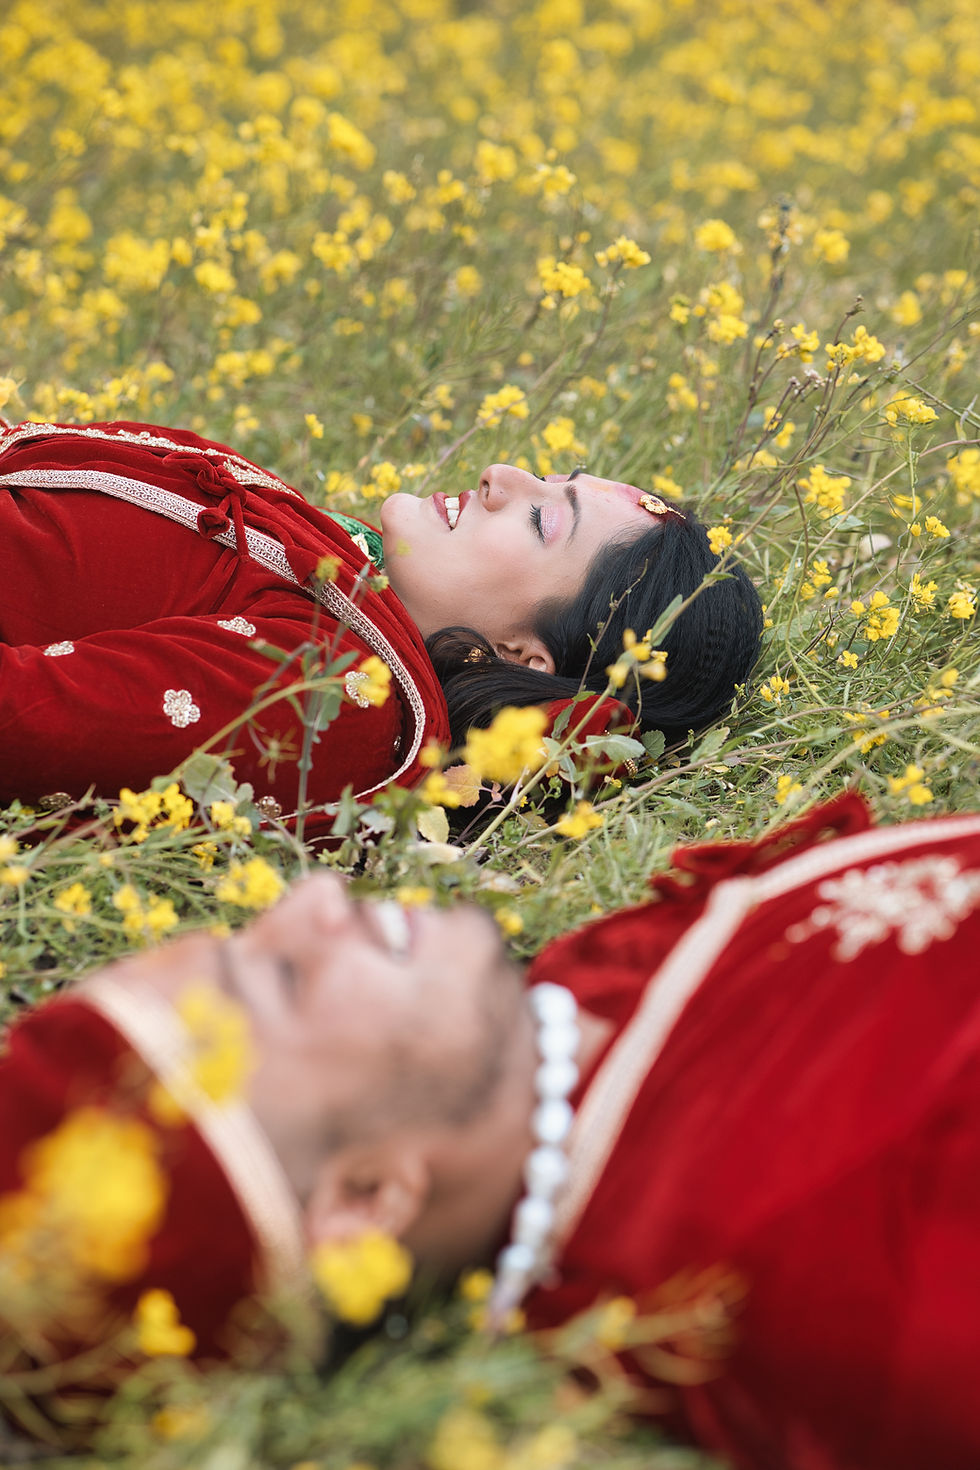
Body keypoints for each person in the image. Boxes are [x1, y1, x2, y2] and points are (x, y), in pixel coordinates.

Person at [2, 794, 980, 1467]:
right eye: (285, 981)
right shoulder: (838, 1277)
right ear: (369, 1197)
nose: (309, 901)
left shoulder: (559, 1019)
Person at [0, 419, 761, 832]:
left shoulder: (326, 694)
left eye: (540, 519)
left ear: (524, 657)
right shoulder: (352, 577)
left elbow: (24, 722)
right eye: (554, 477)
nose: (501, 474)